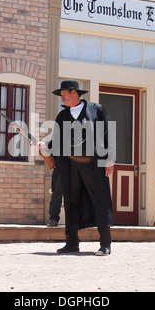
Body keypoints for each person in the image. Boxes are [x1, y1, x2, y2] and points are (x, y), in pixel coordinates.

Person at [39, 80, 115, 256]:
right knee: (71, 202)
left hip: (93, 165)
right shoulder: (62, 116)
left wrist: (109, 158)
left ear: (74, 92)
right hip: (70, 165)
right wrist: (45, 146)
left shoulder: (96, 109)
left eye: (64, 93)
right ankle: (72, 243)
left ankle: (105, 244)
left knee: (100, 202)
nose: (62, 97)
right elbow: (56, 140)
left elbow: (106, 133)